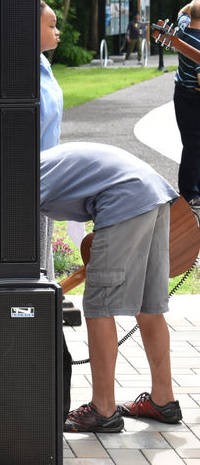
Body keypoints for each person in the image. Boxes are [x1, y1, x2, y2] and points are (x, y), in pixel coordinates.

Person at [39, 142, 180, 433]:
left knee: (98, 307)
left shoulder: (26, 180)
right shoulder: (43, 164)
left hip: (125, 199)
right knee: (147, 306)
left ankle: (103, 410)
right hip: (153, 192)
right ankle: (163, 400)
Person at [38, 0, 64, 279]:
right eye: (51, 25)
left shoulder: (43, 62)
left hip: (49, 164)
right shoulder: (22, 69)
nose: (57, 32)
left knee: (45, 234)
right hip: (33, 168)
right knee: (35, 240)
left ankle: (48, 290)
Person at [174, 0, 200, 213]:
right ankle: (189, 193)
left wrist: (192, 6)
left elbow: (182, 11)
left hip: (181, 93)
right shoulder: (198, 42)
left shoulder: (183, 27)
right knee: (194, 146)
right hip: (193, 97)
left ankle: (192, 190)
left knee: (192, 144)